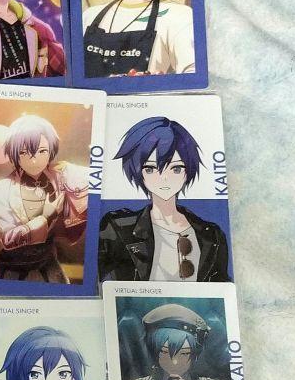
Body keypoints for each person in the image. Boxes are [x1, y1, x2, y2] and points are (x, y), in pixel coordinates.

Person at [98, 116, 230, 282]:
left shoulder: (212, 235)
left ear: (188, 171)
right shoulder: (118, 228)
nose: (164, 178)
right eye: (150, 169)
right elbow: (98, 283)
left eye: (176, 169)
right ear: (138, 172)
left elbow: (221, 288)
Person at [0, 114, 88, 284]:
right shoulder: (1, 189)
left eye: (42, 151)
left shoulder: (61, 176)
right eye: (24, 152)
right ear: (14, 153)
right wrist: (46, 216)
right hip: (12, 268)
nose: (34, 160)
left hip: (49, 265)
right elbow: (8, 240)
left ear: (51, 150)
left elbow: (95, 178)